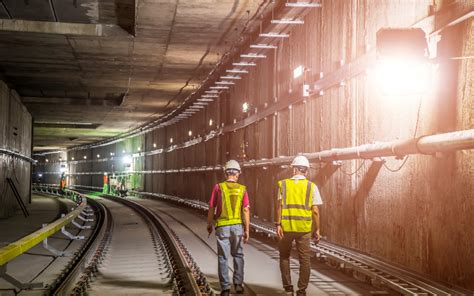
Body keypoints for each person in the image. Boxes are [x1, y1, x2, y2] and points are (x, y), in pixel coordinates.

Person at [275, 155, 323, 296]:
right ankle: (301, 291)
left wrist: (278, 224)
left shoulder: (283, 184)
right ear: (306, 171)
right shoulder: (311, 186)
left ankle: (288, 288)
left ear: (294, 169)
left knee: (284, 256)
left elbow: (279, 206)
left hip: (286, 228)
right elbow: (315, 210)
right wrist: (318, 229)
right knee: (304, 260)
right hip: (304, 229)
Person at [207, 160, 250, 296]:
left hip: (222, 227)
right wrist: (247, 229)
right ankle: (238, 284)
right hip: (237, 227)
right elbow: (246, 210)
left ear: (226, 173)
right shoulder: (242, 189)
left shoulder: (218, 187)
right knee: (238, 255)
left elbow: (211, 207)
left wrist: (209, 224)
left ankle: (225, 288)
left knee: (223, 257)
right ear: (237, 174)